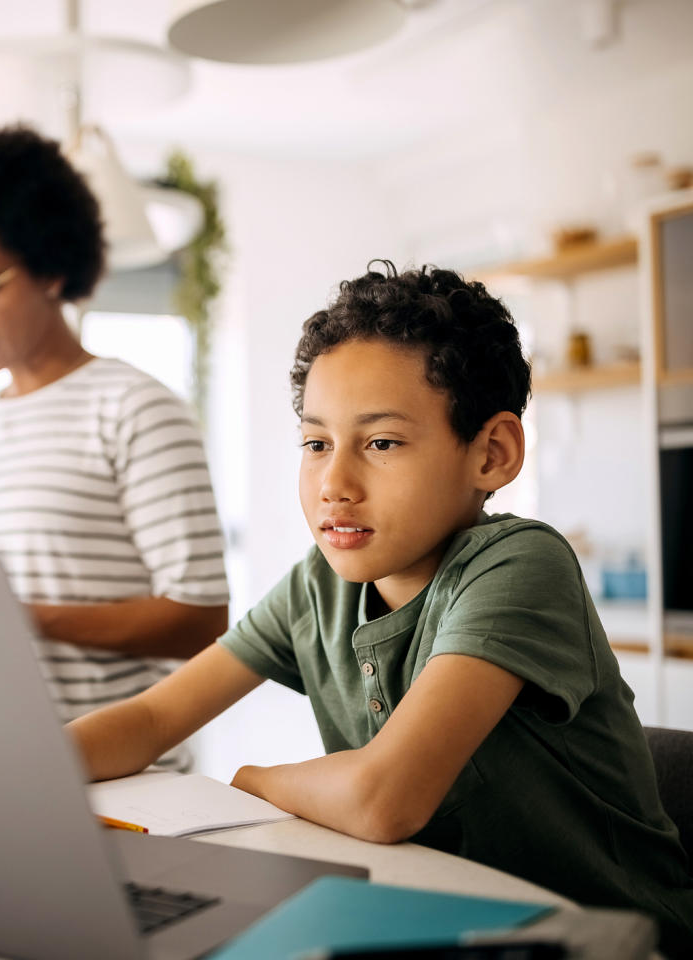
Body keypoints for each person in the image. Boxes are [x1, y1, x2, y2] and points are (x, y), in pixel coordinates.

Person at [68, 262, 693, 953]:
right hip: (441, 923)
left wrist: (250, 782)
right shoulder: (319, 585)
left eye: (382, 443)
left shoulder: (520, 566)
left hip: (608, 939)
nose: (334, 483)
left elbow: (381, 799)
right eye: (315, 443)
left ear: (493, 453)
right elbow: (156, 715)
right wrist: (24, 769)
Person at [0, 121, 229, 771]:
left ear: (50, 267)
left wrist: (30, 619)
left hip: (125, 778)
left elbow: (201, 619)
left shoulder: (136, 407)